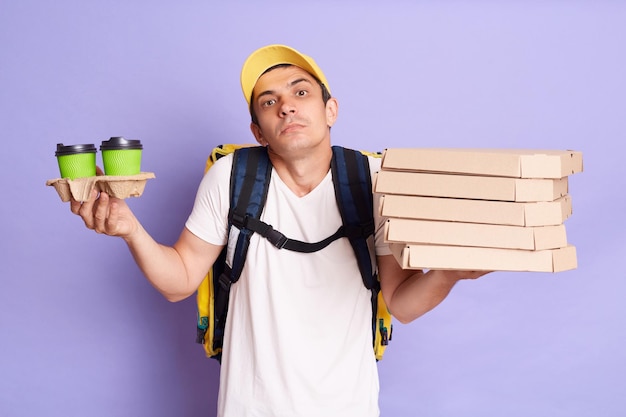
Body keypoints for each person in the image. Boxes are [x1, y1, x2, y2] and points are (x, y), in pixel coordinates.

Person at [71, 44, 489, 417]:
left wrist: (449, 274)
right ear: (257, 131)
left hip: (349, 407)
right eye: (269, 102)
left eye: (300, 92)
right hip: (248, 408)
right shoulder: (230, 176)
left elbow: (402, 303)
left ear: (331, 110)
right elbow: (178, 281)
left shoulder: (374, 180)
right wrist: (130, 230)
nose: (286, 106)